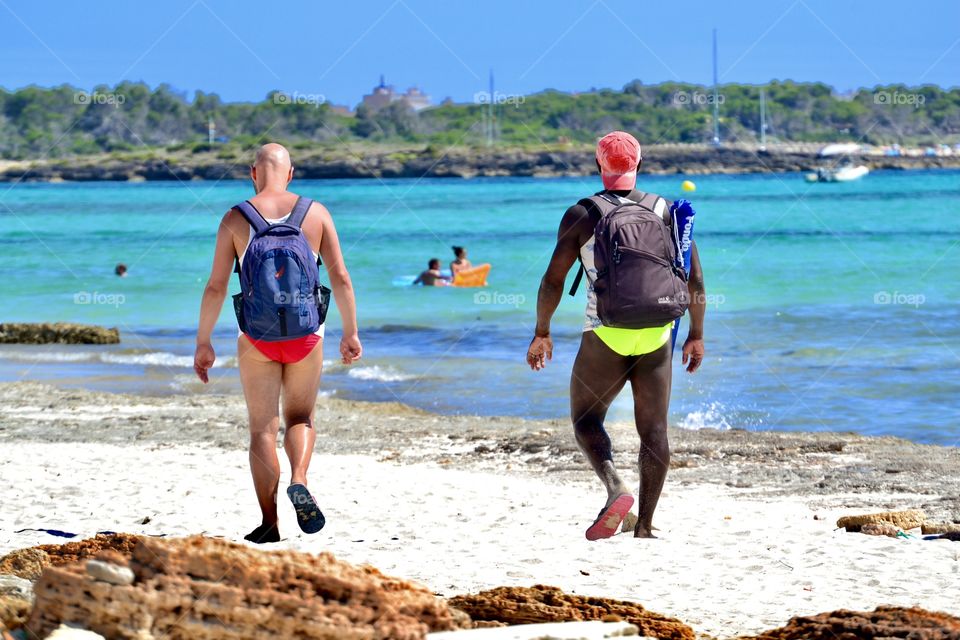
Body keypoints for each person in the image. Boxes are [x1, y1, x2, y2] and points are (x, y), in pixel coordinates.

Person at [526, 131, 706, 540]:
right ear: (640, 165)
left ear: (598, 166)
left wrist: (542, 332)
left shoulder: (583, 213)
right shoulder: (666, 211)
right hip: (658, 333)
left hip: (605, 333)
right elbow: (693, 277)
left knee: (586, 418)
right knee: (654, 430)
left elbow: (553, 280)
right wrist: (695, 334)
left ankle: (615, 487)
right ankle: (645, 525)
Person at [193, 143, 362, 544]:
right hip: (307, 336)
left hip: (257, 338)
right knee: (301, 419)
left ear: (253, 173)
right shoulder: (315, 213)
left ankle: (269, 524)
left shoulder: (236, 217)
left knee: (262, 431)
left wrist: (204, 341)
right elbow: (340, 277)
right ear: (291, 173)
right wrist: (351, 332)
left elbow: (217, 286)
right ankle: (299, 478)